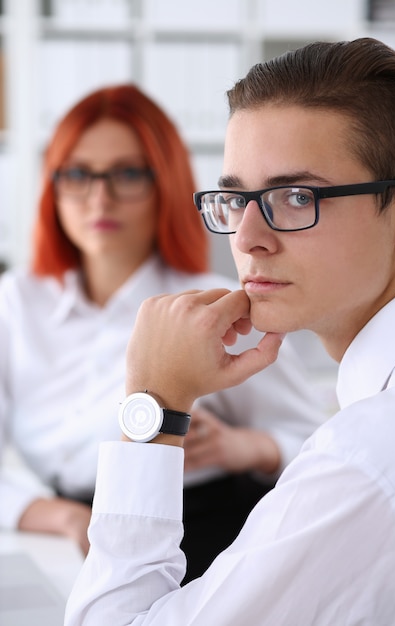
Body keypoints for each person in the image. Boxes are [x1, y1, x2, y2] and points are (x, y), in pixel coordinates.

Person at [64, 37, 395, 625]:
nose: (248, 237)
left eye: (296, 195)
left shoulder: (369, 462)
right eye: (235, 198)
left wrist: (154, 405)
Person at [0, 84, 324, 580]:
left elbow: (318, 445)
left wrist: (247, 447)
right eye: (78, 174)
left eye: (127, 173)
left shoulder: (216, 305)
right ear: (53, 185)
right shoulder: (17, 303)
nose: (99, 197)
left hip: (203, 537)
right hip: (73, 535)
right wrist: (61, 515)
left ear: (165, 182)